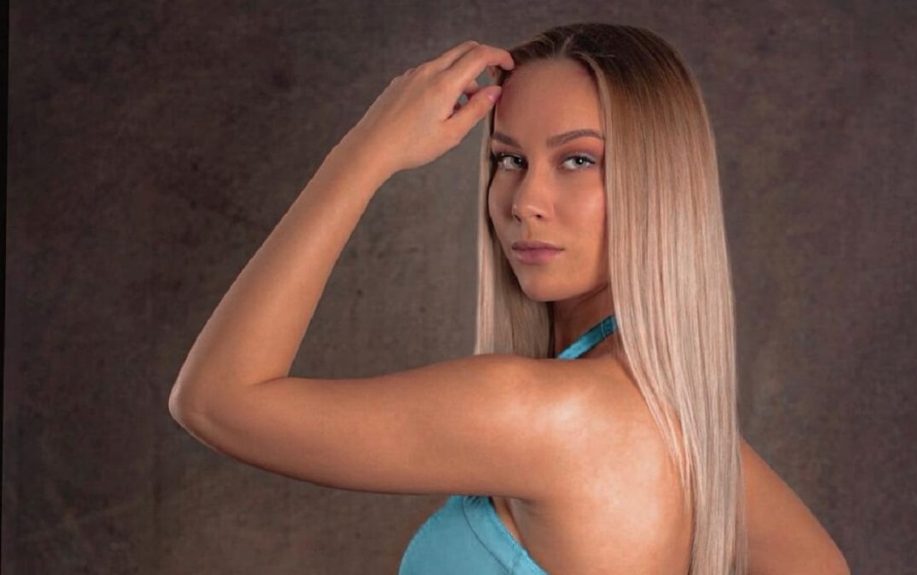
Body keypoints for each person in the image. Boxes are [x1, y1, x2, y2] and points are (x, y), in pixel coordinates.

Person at [169, 22, 849, 575]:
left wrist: (367, 151)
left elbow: (215, 401)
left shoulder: (546, 414)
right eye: (509, 159)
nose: (526, 201)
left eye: (578, 159)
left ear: (660, 185)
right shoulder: (671, 419)